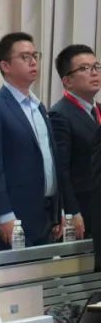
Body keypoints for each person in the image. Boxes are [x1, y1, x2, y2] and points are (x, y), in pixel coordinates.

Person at [0, 32, 66, 247]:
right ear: (5, 65)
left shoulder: (39, 106)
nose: (33, 62)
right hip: (16, 215)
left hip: (46, 213)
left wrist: (59, 209)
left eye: (35, 56)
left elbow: (50, 160)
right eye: (25, 57)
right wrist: (4, 214)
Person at [49, 44, 100, 237]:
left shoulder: (98, 110)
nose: (94, 73)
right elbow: (61, 169)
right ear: (67, 81)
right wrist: (72, 211)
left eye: (96, 67)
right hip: (84, 209)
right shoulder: (59, 114)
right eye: (84, 68)